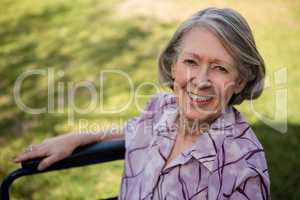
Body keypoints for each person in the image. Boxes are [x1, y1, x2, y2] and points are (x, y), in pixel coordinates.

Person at [14, 7, 270, 200]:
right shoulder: (162, 108)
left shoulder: (243, 170)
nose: (201, 81)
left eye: (220, 68)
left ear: (240, 80)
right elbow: (134, 129)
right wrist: (76, 139)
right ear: (173, 65)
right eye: (191, 62)